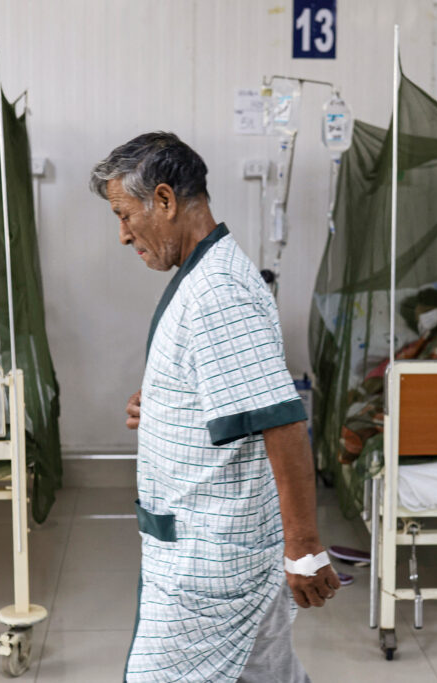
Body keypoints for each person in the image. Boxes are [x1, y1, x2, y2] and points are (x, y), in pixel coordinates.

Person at [90, 132, 337, 683]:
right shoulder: (204, 277)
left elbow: (282, 421)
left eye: (125, 214)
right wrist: (164, 405)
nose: (123, 234)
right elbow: (231, 391)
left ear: (165, 200)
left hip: (212, 562)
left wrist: (303, 549)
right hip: (221, 548)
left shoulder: (218, 291)